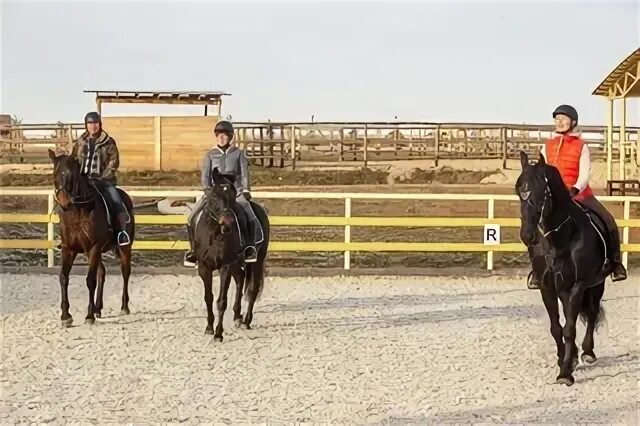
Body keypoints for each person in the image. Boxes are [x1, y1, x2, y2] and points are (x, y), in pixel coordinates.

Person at [526, 104, 627, 289]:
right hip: (553, 198)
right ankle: (537, 270)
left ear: (572, 122)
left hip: (580, 195)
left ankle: (615, 263)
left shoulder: (581, 146)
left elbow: (585, 173)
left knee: (608, 219)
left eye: (564, 119)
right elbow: (541, 172)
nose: (560, 122)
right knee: (533, 224)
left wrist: (575, 188)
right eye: (557, 119)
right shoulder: (547, 146)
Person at [183, 120, 259, 267]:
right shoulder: (210, 155)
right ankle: (193, 250)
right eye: (219, 135)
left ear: (230, 137)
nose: (222, 138)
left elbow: (244, 174)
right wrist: (207, 189)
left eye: (225, 135)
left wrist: (246, 189)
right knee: (192, 216)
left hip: (234, 192)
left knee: (249, 214)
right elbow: (205, 176)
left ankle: (249, 247)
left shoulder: (238, 154)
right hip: (215, 194)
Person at [71, 112, 131, 246]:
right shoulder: (80, 142)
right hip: (84, 183)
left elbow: (113, 161)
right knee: (69, 202)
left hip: (104, 182)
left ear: (100, 124)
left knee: (116, 200)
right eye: (90, 123)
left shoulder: (108, 142)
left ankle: (122, 232)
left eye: (95, 123)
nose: (93, 126)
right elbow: (74, 160)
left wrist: (103, 177)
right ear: (86, 125)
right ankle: (69, 235)